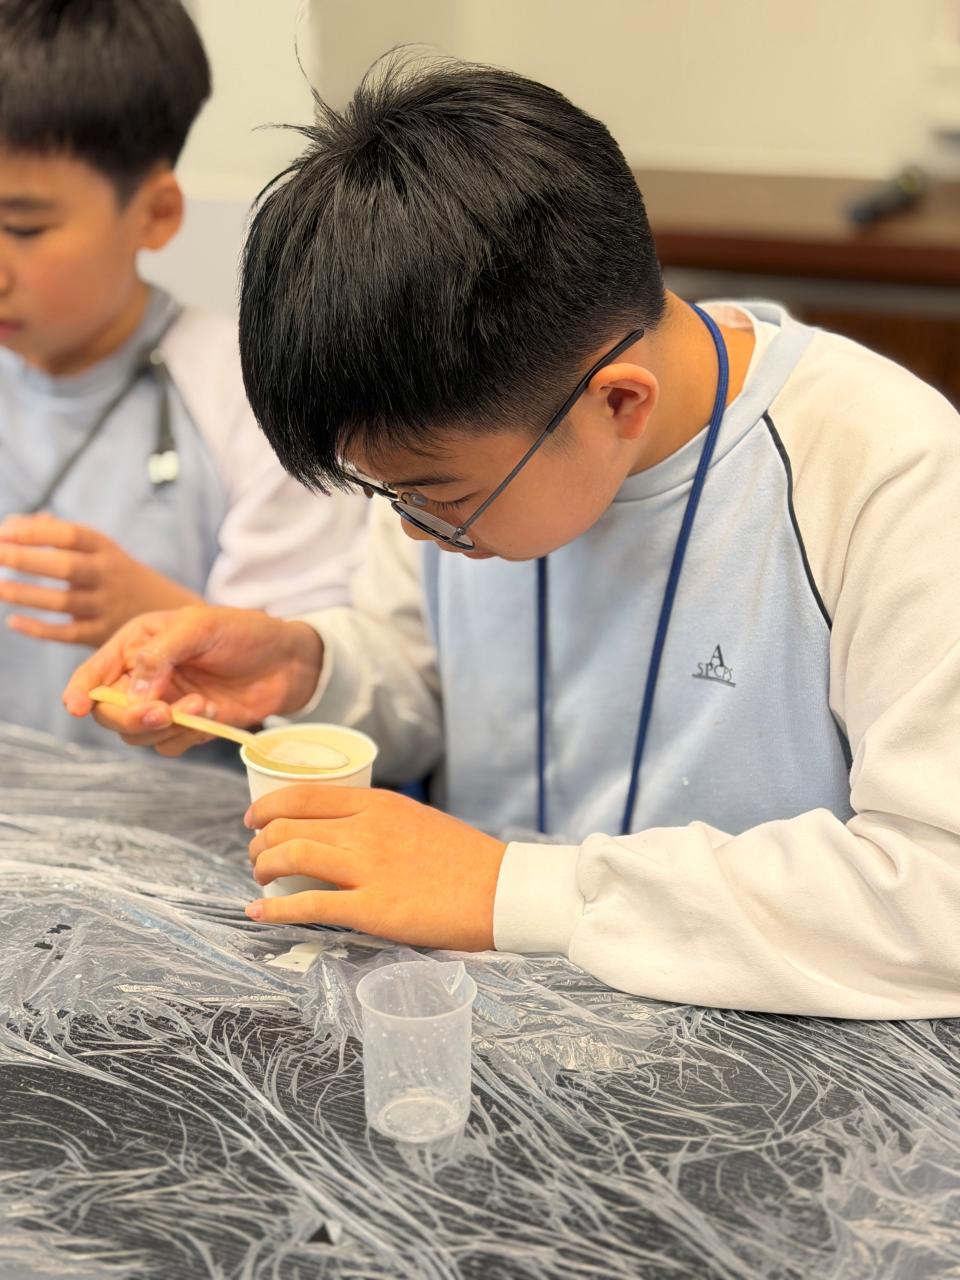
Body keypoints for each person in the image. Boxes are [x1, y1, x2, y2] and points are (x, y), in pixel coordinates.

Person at [65, 57, 960, 1019]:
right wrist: (309, 668)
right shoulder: (460, 440)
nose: (416, 529)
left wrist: (510, 889)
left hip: (781, 1051)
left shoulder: (888, 477)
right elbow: (430, 681)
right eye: (389, 494)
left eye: (438, 499)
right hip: (489, 1018)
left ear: (618, 402)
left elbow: (935, 894)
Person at [0, 0, 366, 746]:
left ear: (157, 213)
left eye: (24, 228)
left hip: (194, 810)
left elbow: (315, 688)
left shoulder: (254, 397)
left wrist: (154, 612)